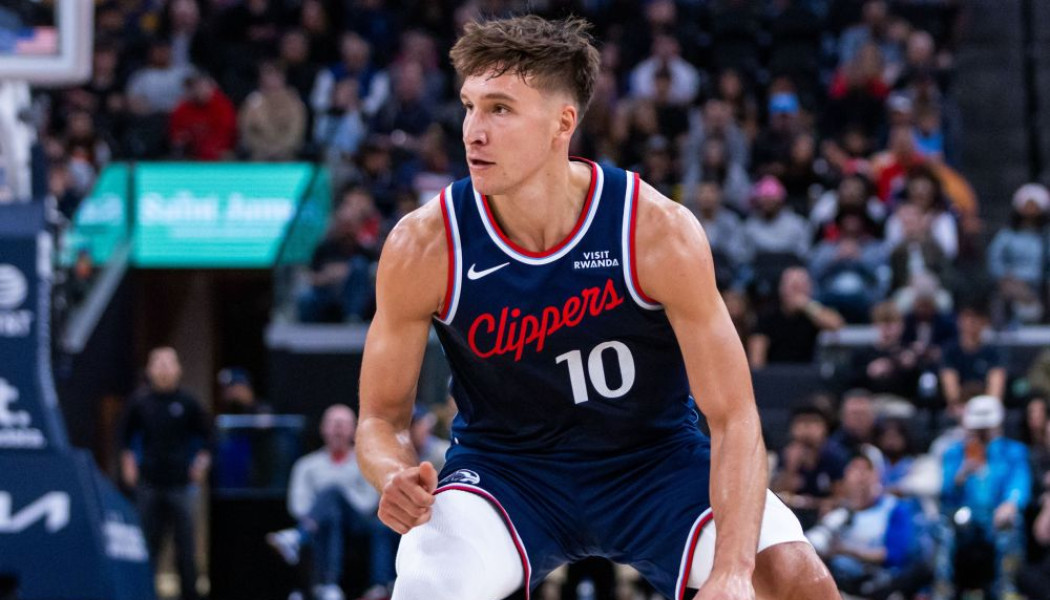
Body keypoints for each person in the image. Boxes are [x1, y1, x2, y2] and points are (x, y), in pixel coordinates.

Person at [355, 15, 838, 600]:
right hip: (508, 474)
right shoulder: (425, 244)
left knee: (797, 580)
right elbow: (380, 420)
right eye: (469, 106)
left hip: (654, 465)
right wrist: (393, 473)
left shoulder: (653, 230)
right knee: (428, 586)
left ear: (563, 123)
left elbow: (735, 417)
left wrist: (733, 570)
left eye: (500, 109)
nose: (473, 132)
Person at [267, 405, 396, 600]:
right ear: (322, 428)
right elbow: (298, 505)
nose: (338, 429)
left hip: (358, 522)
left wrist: (339, 498)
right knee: (331, 516)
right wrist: (324, 512)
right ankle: (328, 587)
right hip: (323, 523)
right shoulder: (306, 465)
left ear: (354, 429)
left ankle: (298, 537)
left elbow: (368, 502)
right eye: (333, 424)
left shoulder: (367, 462)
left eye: (343, 424)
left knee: (332, 493)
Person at [119, 347, 211, 600]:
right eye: (158, 363)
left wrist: (201, 464)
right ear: (149, 370)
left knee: (186, 544)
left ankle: (190, 594)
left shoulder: (188, 402)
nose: (163, 369)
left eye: (168, 363)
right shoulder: (140, 402)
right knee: (147, 543)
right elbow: (124, 438)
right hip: (149, 482)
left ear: (178, 369)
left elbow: (207, 437)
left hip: (180, 483)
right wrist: (128, 464)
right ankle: (143, 593)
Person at [937, 395, 1031, 600]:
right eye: (977, 429)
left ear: (997, 426)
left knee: (1012, 525)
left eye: (986, 429)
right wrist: (961, 475)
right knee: (943, 528)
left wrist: (1010, 503)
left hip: (997, 517)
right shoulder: (954, 453)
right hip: (965, 518)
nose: (981, 434)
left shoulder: (1014, 451)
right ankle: (942, 590)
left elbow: (1019, 483)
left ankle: (1007, 589)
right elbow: (945, 493)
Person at [807, 452, 921, 598]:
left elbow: (895, 555)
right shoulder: (838, 511)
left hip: (877, 586)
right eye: (854, 469)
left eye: (866, 470)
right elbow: (815, 543)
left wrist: (846, 550)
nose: (860, 477)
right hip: (837, 583)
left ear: (877, 475)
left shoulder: (894, 508)